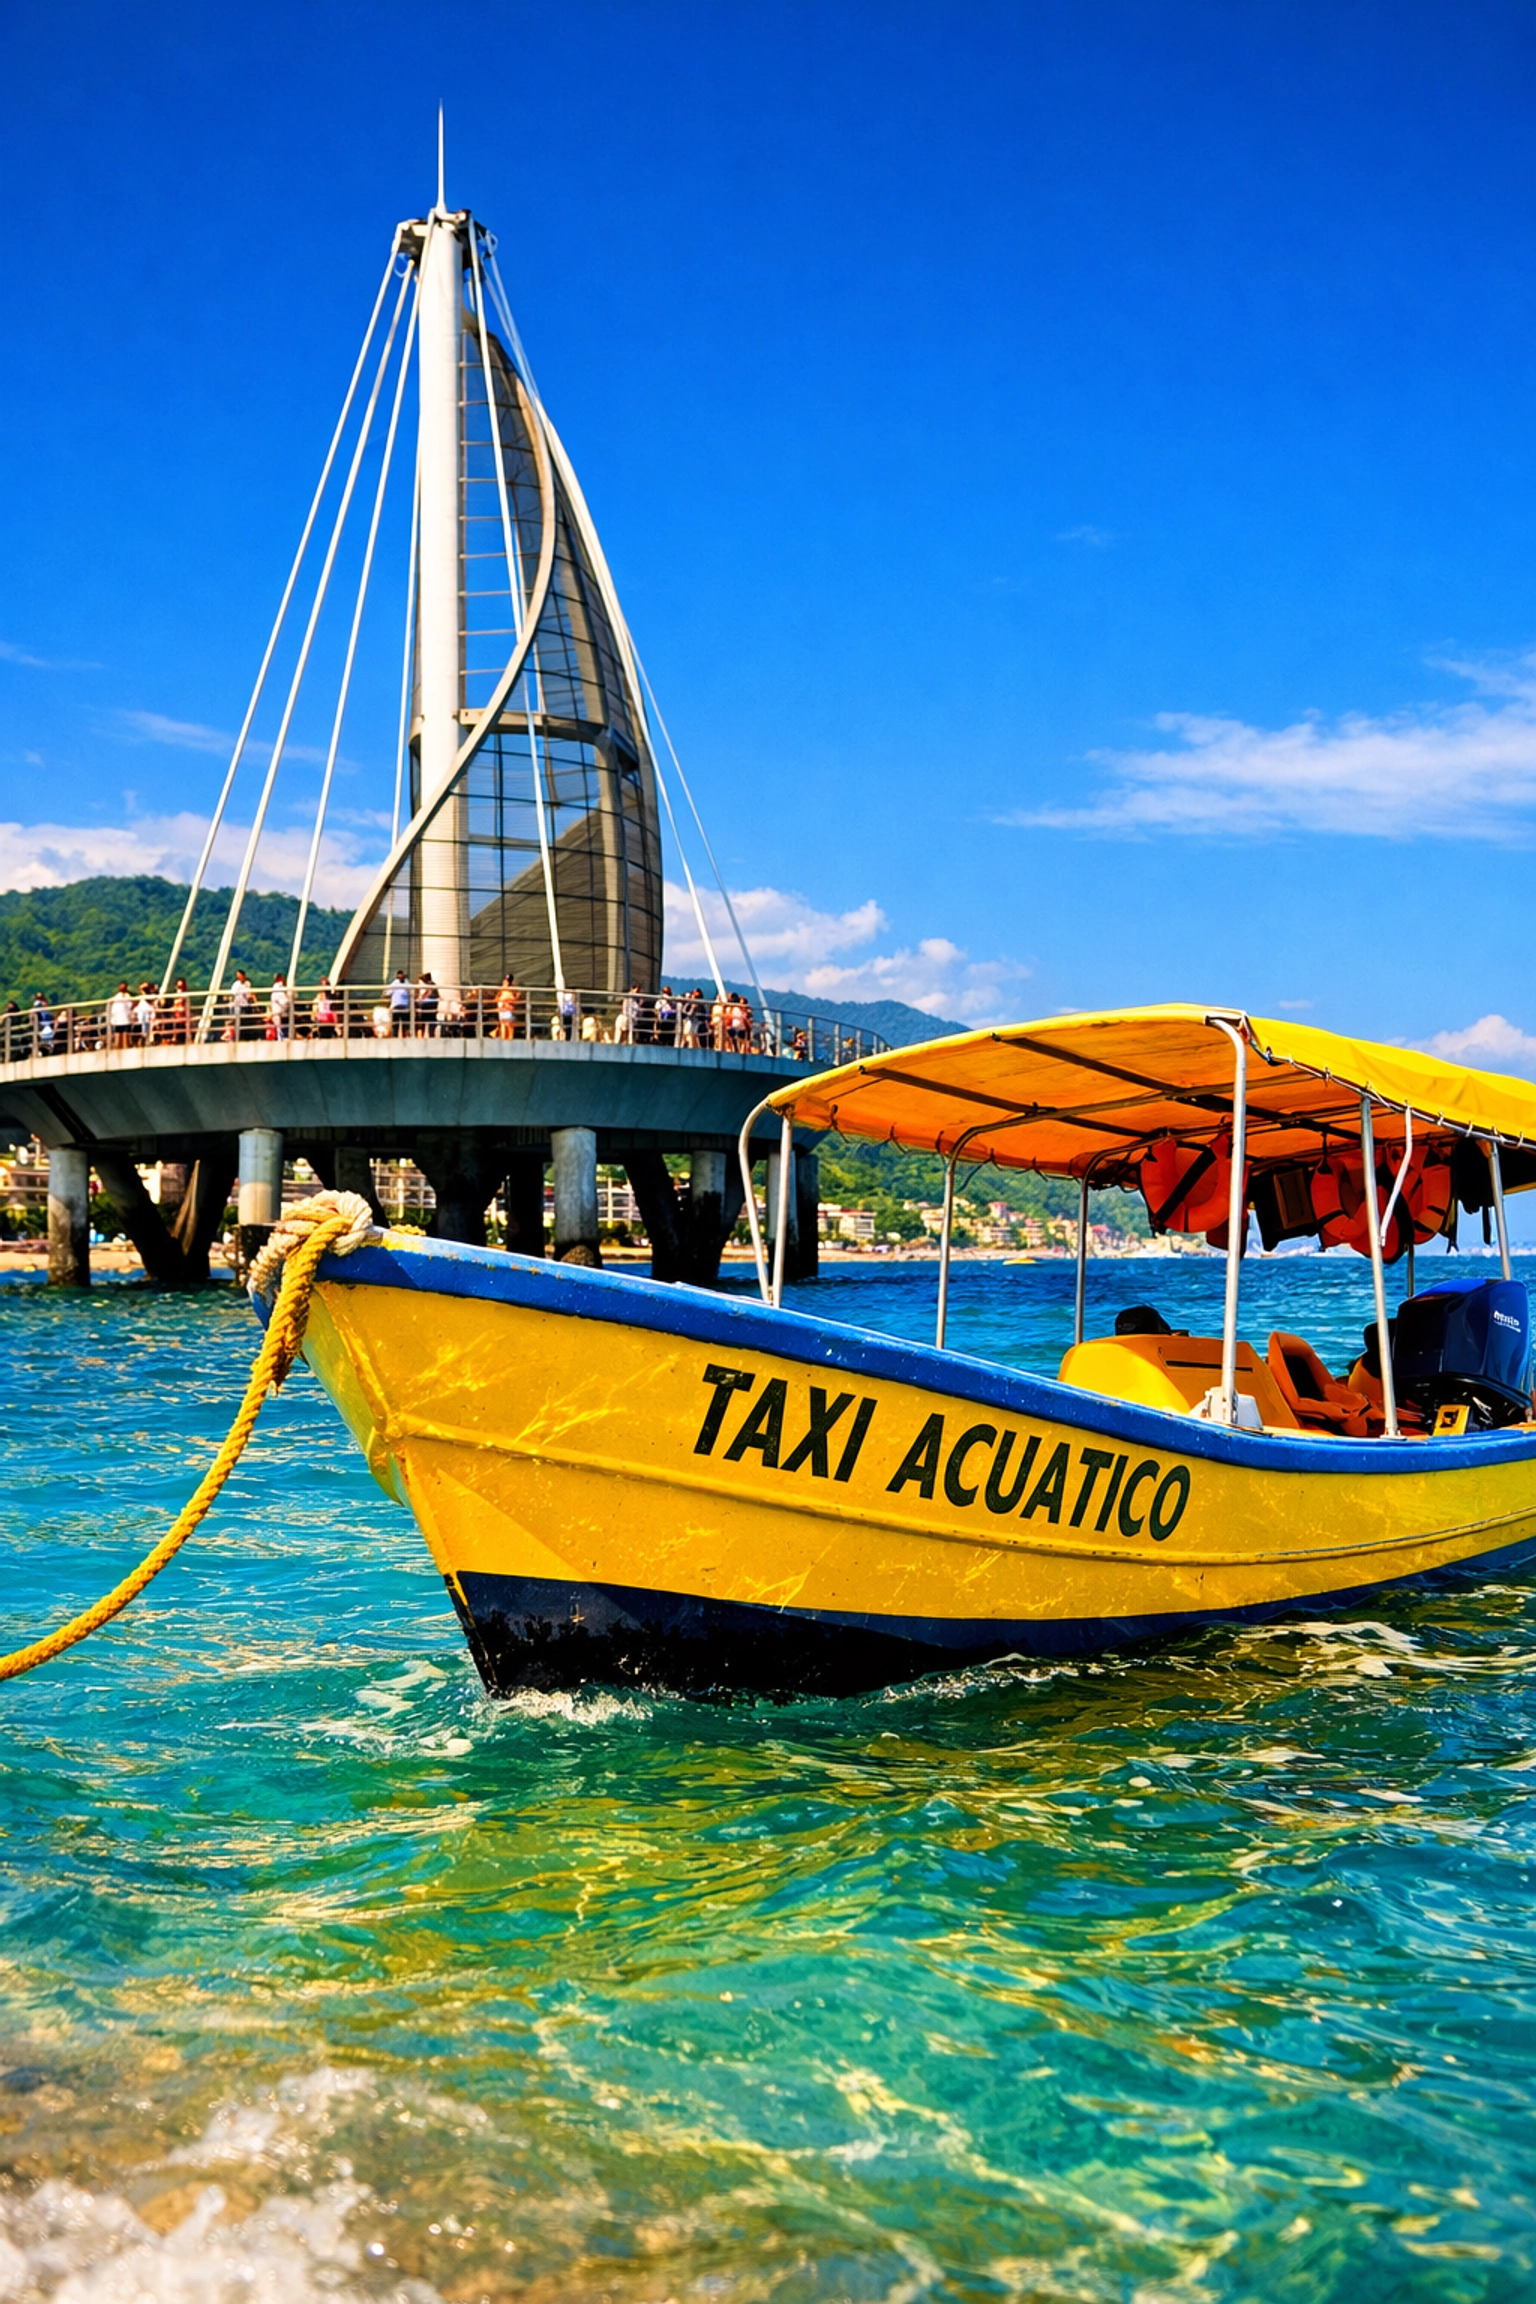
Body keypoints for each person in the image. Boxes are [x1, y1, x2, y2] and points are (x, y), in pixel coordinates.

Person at [230, 969, 255, 1042]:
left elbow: (250, 993)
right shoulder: (236, 985)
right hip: (239, 1006)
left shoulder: (247, 984)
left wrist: (252, 999)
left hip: (246, 1005)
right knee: (238, 1022)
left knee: (247, 1022)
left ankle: (246, 1037)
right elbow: (234, 994)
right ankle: (238, 1037)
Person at [107, 981, 133, 1049]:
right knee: (120, 1036)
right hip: (121, 1020)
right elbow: (130, 1006)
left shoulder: (118, 997)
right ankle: (121, 1048)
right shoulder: (119, 997)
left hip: (122, 1019)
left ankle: (122, 1048)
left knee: (123, 1036)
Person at [496, 975, 521, 1039]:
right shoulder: (502, 990)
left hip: (508, 1009)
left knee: (508, 1024)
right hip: (502, 1008)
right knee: (503, 1024)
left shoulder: (512, 990)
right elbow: (497, 998)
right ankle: (504, 1038)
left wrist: (508, 1002)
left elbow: (515, 998)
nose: (505, 982)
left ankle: (509, 1039)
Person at [415, 971, 439, 1037]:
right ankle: (430, 1037)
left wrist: (421, 999)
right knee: (430, 1024)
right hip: (432, 1007)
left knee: (422, 1023)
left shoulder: (430, 984)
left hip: (428, 1007)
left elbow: (429, 993)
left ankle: (421, 1037)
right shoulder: (433, 985)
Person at [389, 969, 412, 1037]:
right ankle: (395, 1037)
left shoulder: (406, 983)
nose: (400, 978)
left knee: (405, 1025)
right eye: (399, 977)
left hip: (404, 1007)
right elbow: (387, 992)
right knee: (396, 1025)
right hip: (397, 1006)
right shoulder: (395, 983)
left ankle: (405, 1036)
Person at [268, 974, 291, 1041]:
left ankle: (280, 1039)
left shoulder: (274, 988)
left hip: (276, 1011)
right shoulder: (279, 988)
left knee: (279, 1029)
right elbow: (284, 1002)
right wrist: (289, 998)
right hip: (280, 1012)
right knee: (281, 1030)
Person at [169, 979, 191, 1045]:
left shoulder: (185, 995)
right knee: (175, 1026)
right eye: (178, 986)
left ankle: (181, 1040)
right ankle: (174, 1038)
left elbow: (185, 1004)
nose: (180, 988)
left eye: (181, 986)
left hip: (182, 1017)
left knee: (181, 1029)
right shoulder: (177, 994)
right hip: (176, 1015)